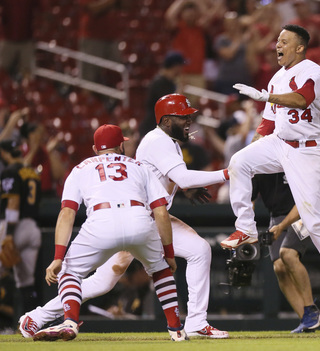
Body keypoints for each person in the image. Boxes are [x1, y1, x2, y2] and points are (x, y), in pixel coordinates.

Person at [19, 94, 229, 339]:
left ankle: (195, 322)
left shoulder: (165, 142)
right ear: (167, 119)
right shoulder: (156, 141)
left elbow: (173, 178)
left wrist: (184, 186)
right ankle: (38, 317)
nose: (189, 121)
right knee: (106, 281)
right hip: (145, 218)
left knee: (198, 250)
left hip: (134, 217)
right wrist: (228, 172)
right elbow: (180, 178)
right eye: (184, 117)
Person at [220, 24, 320, 313]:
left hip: (310, 149)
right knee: (240, 162)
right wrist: (256, 141)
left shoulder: (313, 71)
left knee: (313, 219)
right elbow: (268, 121)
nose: (277, 44)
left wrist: (266, 97)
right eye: (277, 40)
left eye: (284, 40)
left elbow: (302, 98)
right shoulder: (276, 78)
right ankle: (244, 228)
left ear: (300, 47)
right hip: (280, 143)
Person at [31, 124, 187, 342]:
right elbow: (160, 212)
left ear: (96, 148)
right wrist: (168, 252)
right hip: (138, 218)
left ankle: (70, 321)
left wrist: (58, 257)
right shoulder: (139, 166)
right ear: (121, 145)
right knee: (160, 269)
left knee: (69, 270)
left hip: (101, 221)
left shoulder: (80, 168)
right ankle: (176, 329)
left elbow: (67, 214)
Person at [252, 172, 320, 333]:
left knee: (288, 254)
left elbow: (304, 202)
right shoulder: (257, 167)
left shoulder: (292, 159)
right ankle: (307, 321)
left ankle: (310, 308)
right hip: (276, 217)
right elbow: (249, 201)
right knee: (279, 267)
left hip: (304, 213)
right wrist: (245, 227)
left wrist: (281, 226)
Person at [0, 140, 41, 313]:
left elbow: (13, 202)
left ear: (4, 153)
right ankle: (30, 324)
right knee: (26, 282)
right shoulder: (31, 172)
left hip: (14, 227)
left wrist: (9, 234)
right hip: (32, 228)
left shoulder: (10, 171)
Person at [139, 51, 187, 138]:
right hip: (151, 127)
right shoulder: (159, 83)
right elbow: (170, 106)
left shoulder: (170, 83)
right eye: (181, 66)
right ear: (175, 66)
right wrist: (181, 89)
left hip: (160, 128)